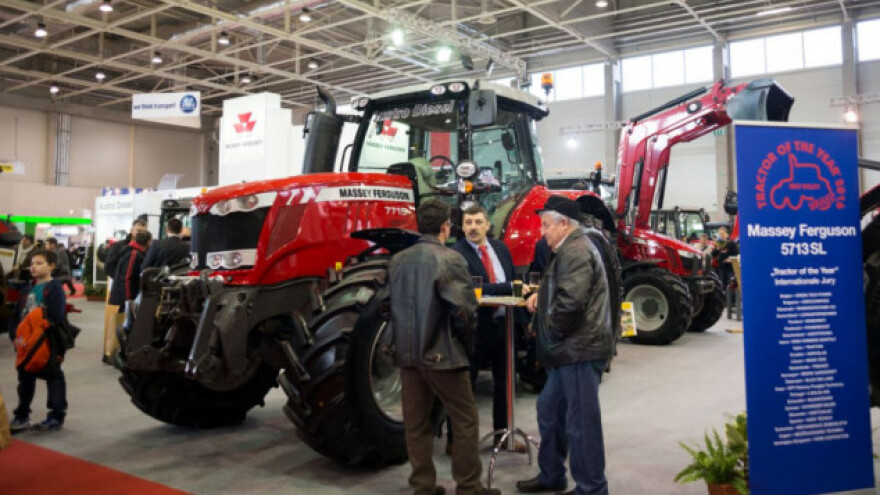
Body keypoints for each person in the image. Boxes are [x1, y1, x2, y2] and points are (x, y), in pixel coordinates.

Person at [388, 199, 497, 495]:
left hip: (408, 356)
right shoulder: (450, 259)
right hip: (443, 354)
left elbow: (390, 308)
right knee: (465, 420)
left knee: (416, 423)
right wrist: (467, 346)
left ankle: (422, 487)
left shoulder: (398, 261)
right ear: (446, 227)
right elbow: (465, 312)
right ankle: (469, 487)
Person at [517, 196, 613, 495]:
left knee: (581, 423)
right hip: (568, 349)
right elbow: (563, 291)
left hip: (578, 349)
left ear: (563, 224)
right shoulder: (568, 249)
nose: (542, 232)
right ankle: (552, 475)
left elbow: (571, 303)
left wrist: (551, 331)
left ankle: (592, 488)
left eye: (546, 225)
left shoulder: (574, 250)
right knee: (550, 409)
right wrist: (540, 297)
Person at [452, 204, 525, 452]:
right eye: (468, 222)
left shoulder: (501, 249)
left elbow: (514, 283)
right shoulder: (457, 254)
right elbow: (470, 291)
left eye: (478, 222)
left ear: (487, 225)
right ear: (462, 227)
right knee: (464, 386)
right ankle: (457, 442)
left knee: (505, 385)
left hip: (504, 327)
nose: (473, 227)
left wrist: (524, 320)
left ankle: (502, 436)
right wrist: (506, 287)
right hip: (473, 330)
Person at [8, 249, 69, 433]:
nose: (34, 267)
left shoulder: (54, 288)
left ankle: (56, 415)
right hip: (25, 343)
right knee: (25, 378)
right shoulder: (27, 289)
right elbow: (17, 314)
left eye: (39, 263)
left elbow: (56, 316)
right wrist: (15, 336)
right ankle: (22, 414)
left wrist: (40, 332)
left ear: (51, 266)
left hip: (47, 342)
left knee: (53, 376)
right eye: (32, 263)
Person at [109, 230, 152, 312]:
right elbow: (127, 277)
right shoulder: (134, 254)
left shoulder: (133, 252)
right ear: (147, 242)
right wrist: (129, 299)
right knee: (127, 322)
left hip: (127, 296)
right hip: (127, 298)